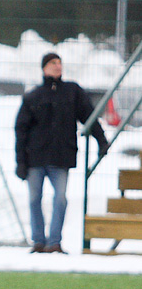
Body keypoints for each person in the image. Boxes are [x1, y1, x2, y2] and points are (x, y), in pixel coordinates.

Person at [15, 52, 109, 254]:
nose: (57, 66)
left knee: (60, 199)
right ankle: (38, 241)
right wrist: (21, 161)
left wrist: (101, 140)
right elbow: (21, 130)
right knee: (34, 199)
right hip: (35, 159)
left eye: (59, 63)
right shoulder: (33, 96)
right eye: (52, 63)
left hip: (61, 157)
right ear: (44, 68)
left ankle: (54, 242)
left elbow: (89, 117)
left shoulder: (72, 92)